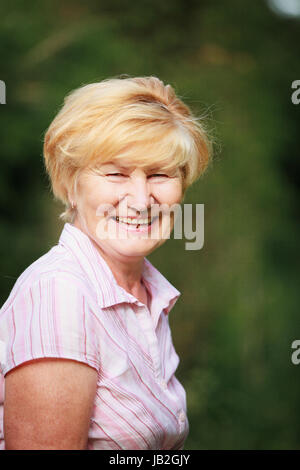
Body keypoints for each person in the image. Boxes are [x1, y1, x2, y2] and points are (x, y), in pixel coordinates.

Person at [0, 75, 212, 450]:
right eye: (116, 173)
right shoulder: (60, 294)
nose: (141, 199)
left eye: (159, 174)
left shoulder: (147, 294)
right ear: (70, 184)